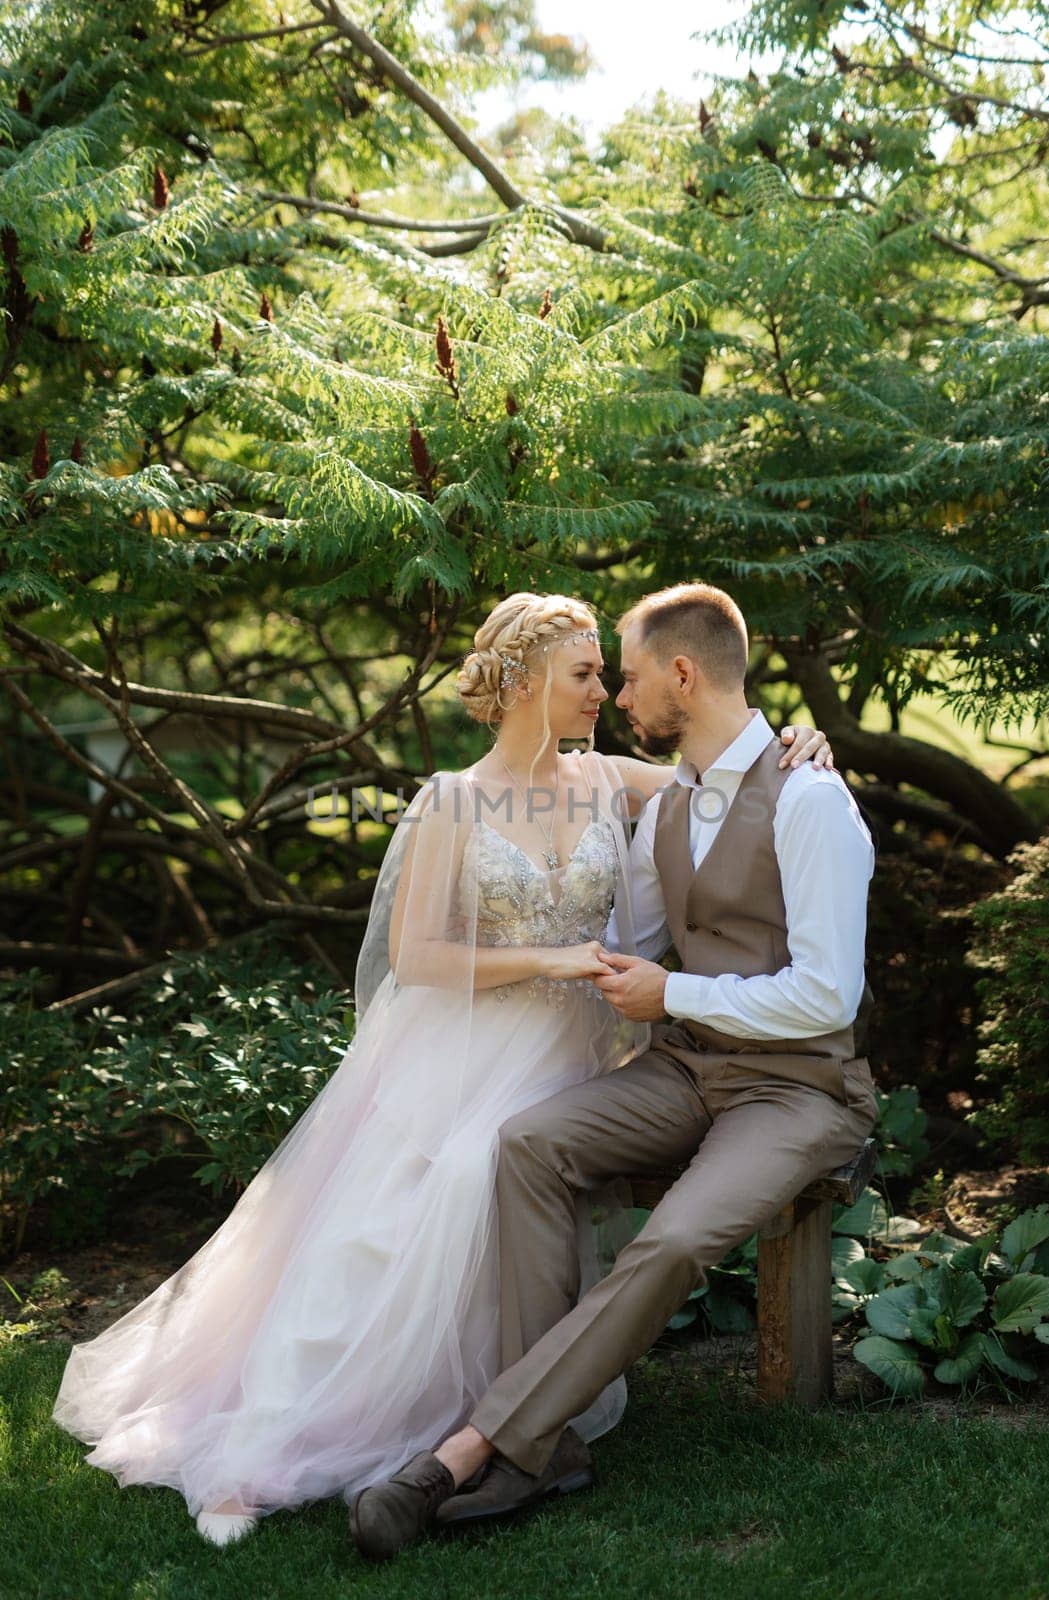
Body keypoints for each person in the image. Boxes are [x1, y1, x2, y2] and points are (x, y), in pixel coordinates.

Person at [51, 590, 832, 1547]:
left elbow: (730, 778)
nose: (604, 692)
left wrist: (806, 739)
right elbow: (418, 957)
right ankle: (285, 1432)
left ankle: (496, 1426)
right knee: (442, 1180)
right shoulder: (453, 801)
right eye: (585, 675)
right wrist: (553, 959)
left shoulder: (607, 782)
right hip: (473, 1041)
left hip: (582, 1051)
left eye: (605, 673)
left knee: (502, 1162)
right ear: (525, 683)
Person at [346, 583, 878, 1562]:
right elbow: (622, 937)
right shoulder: (669, 802)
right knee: (527, 1143)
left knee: (671, 1238)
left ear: (682, 674)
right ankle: (540, 1444)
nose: (619, 699)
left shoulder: (810, 798)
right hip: (688, 1071)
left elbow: (827, 999)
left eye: (627, 677)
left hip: (797, 1088)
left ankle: (479, 1447)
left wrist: (673, 998)